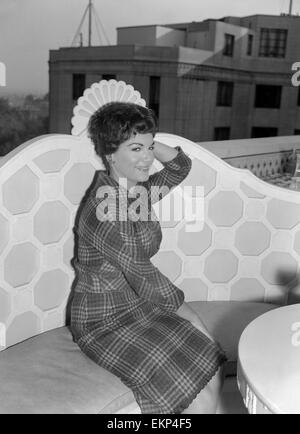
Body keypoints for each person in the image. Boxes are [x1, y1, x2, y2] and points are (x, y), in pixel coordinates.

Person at [70, 101, 226, 414]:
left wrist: (145, 135)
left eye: (150, 148)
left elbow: (180, 167)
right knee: (197, 395)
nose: (147, 158)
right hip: (104, 319)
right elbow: (142, 273)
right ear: (111, 153)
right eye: (135, 149)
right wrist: (190, 314)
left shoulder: (136, 192)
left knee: (211, 363)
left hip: (139, 305)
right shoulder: (107, 207)